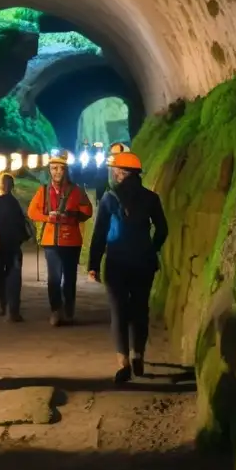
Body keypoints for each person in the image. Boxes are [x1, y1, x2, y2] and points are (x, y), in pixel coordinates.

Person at [87, 152, 169, 383]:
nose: (113, 173)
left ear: (122, 173)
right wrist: (152, 248)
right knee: (140, 309)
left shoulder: (109, 198)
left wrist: (93, 263)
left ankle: (123, 363)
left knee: (119, 311)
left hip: (116, 263)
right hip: (143, 262)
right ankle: (138, 354)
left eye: (116, 170)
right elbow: (163, 230)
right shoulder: (151, 198)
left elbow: (100, 233)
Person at [28, 153, 93, 327]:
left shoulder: (76, 190)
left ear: (66, 170)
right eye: (54, 168)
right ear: (49, 170)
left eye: (61, 168)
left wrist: (72, 216)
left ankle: (69, 310)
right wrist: (47, 217)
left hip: (71, 240)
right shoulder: (43, 191)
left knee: (70, 278)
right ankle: (56, 310)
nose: (57, 172)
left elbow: (88, 211)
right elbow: (32, 212)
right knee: (54, 278)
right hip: (51, 241)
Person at [0, 173, 33, 322]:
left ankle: (7, 303)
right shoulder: (15, 204)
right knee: (13, 277)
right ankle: (12, 308)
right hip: (13, 246)